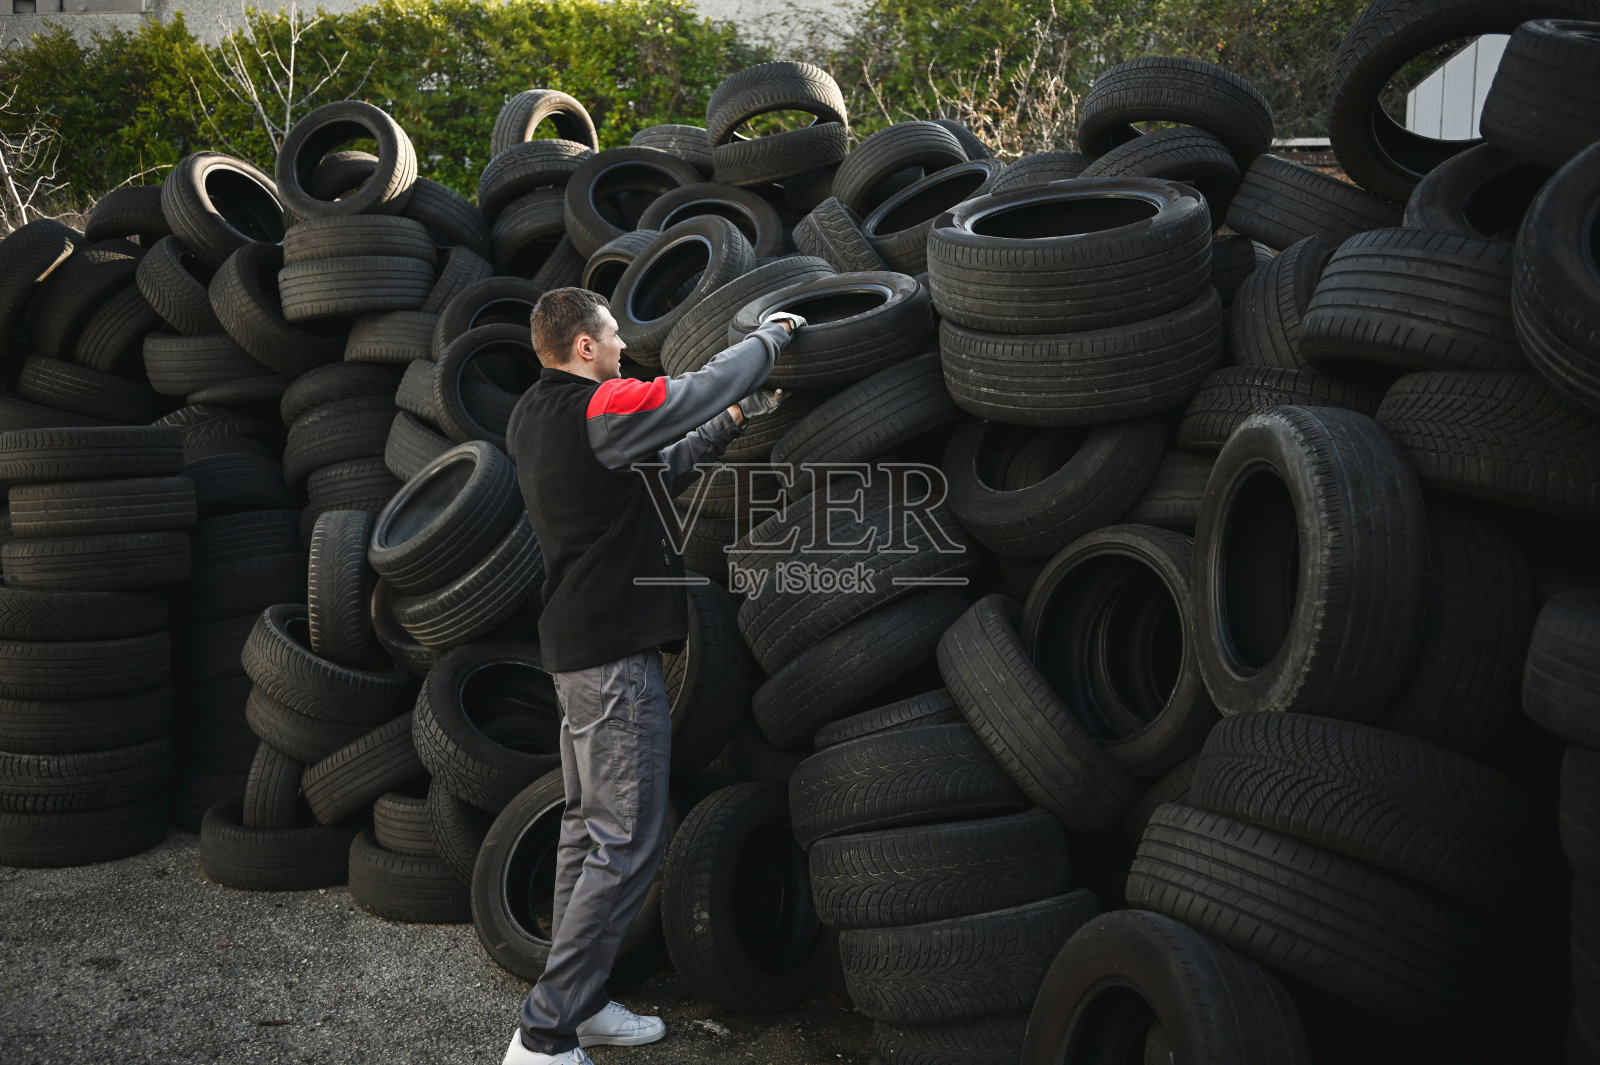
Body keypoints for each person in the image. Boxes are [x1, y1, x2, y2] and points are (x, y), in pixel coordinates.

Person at [502, 286, 803, 1065]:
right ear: (583, 349)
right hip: (608, 665)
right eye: (613, 336)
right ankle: (542, 1036)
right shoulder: (599, 407)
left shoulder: (534, 417)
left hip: (576, 654)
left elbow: (656, 471)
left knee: (586, 831)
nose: (624, 347)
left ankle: (581, 1002)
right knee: (627, 841)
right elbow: (688, 390)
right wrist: (770, 340)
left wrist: (732, 422)